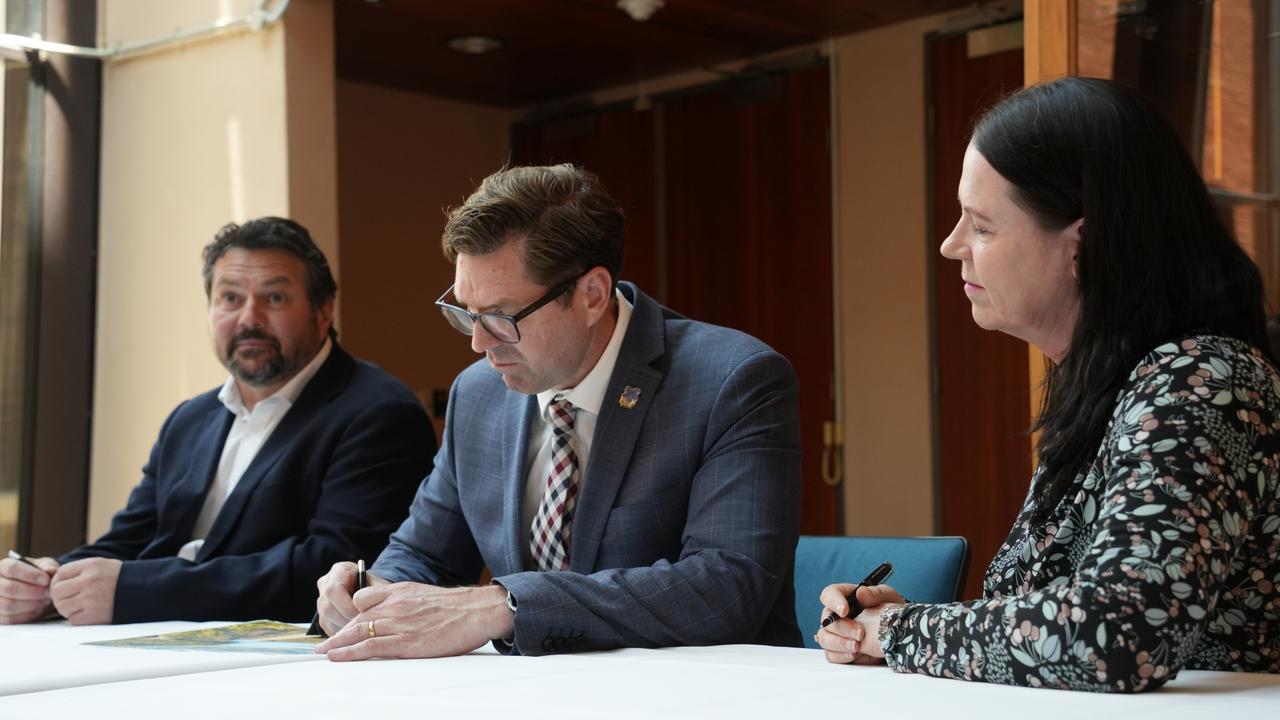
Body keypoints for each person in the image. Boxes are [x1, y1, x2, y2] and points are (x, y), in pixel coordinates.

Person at [816, 77, 1280, 692]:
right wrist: (898, 621)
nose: (951, 245)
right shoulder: (1104, 382)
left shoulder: (1203, 381)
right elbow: (1046, 614)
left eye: (981, 225)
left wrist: (902, 631)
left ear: (1081, 244)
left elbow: (1114, 636)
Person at [314, 164, 802, 659]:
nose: (479, 344)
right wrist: (371, 590)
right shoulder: (477, 395)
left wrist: (506, 605)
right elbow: (424, 554)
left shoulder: (732, 380)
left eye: (501, 318)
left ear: (591, 295)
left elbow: (726, 586)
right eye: (465, 312)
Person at [0, 217, 435, 625]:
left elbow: (335, 569)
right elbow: (131, 540)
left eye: (275, 297)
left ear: (324, 311)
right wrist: (48, 579)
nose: (249, 319)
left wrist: (136, 590)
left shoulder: (378, 413)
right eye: (230, 298)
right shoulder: (190, 419)